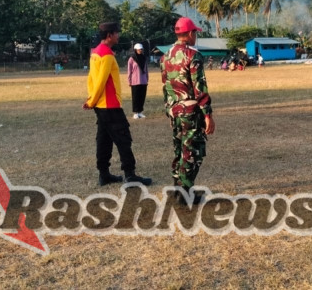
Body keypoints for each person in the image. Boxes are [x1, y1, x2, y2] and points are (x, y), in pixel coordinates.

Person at [83, 22, 152, 186]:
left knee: (104, 139)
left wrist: (91, 98)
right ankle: (130, 174)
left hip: (101, 105)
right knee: (123, 139)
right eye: (116, 33)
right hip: (110, 105)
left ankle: (104, 174)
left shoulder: (95, 53)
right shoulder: (106, 54)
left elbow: (91, 78)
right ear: (109, 35)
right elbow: (101, 80)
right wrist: (92, 101)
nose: (118, 36)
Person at [161, 17, 216, 204]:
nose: (196, 37)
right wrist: (207, 115)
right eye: (195, 34)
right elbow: (200, 88)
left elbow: (165, 85)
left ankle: (177, 190)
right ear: (190, 34)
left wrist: (169, 109)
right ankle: (185, 195)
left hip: (174, 110)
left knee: (179, 149)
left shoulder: (165, 55)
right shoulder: (193, 56)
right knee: (192, 152)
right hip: (191, 112)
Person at [127, 43, 149, 119]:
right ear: (135, 50)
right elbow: (129, 71)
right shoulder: (131, 59)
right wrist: (129, 81)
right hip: (135, 81)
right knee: (135, 97)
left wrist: (147, 79)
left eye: (141, 49)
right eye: (139, 49)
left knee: (142, 97)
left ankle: (140, 112)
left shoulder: (144, 58)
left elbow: (146, 70)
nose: (141, 50)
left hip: (143, 81)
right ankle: (136, 112)